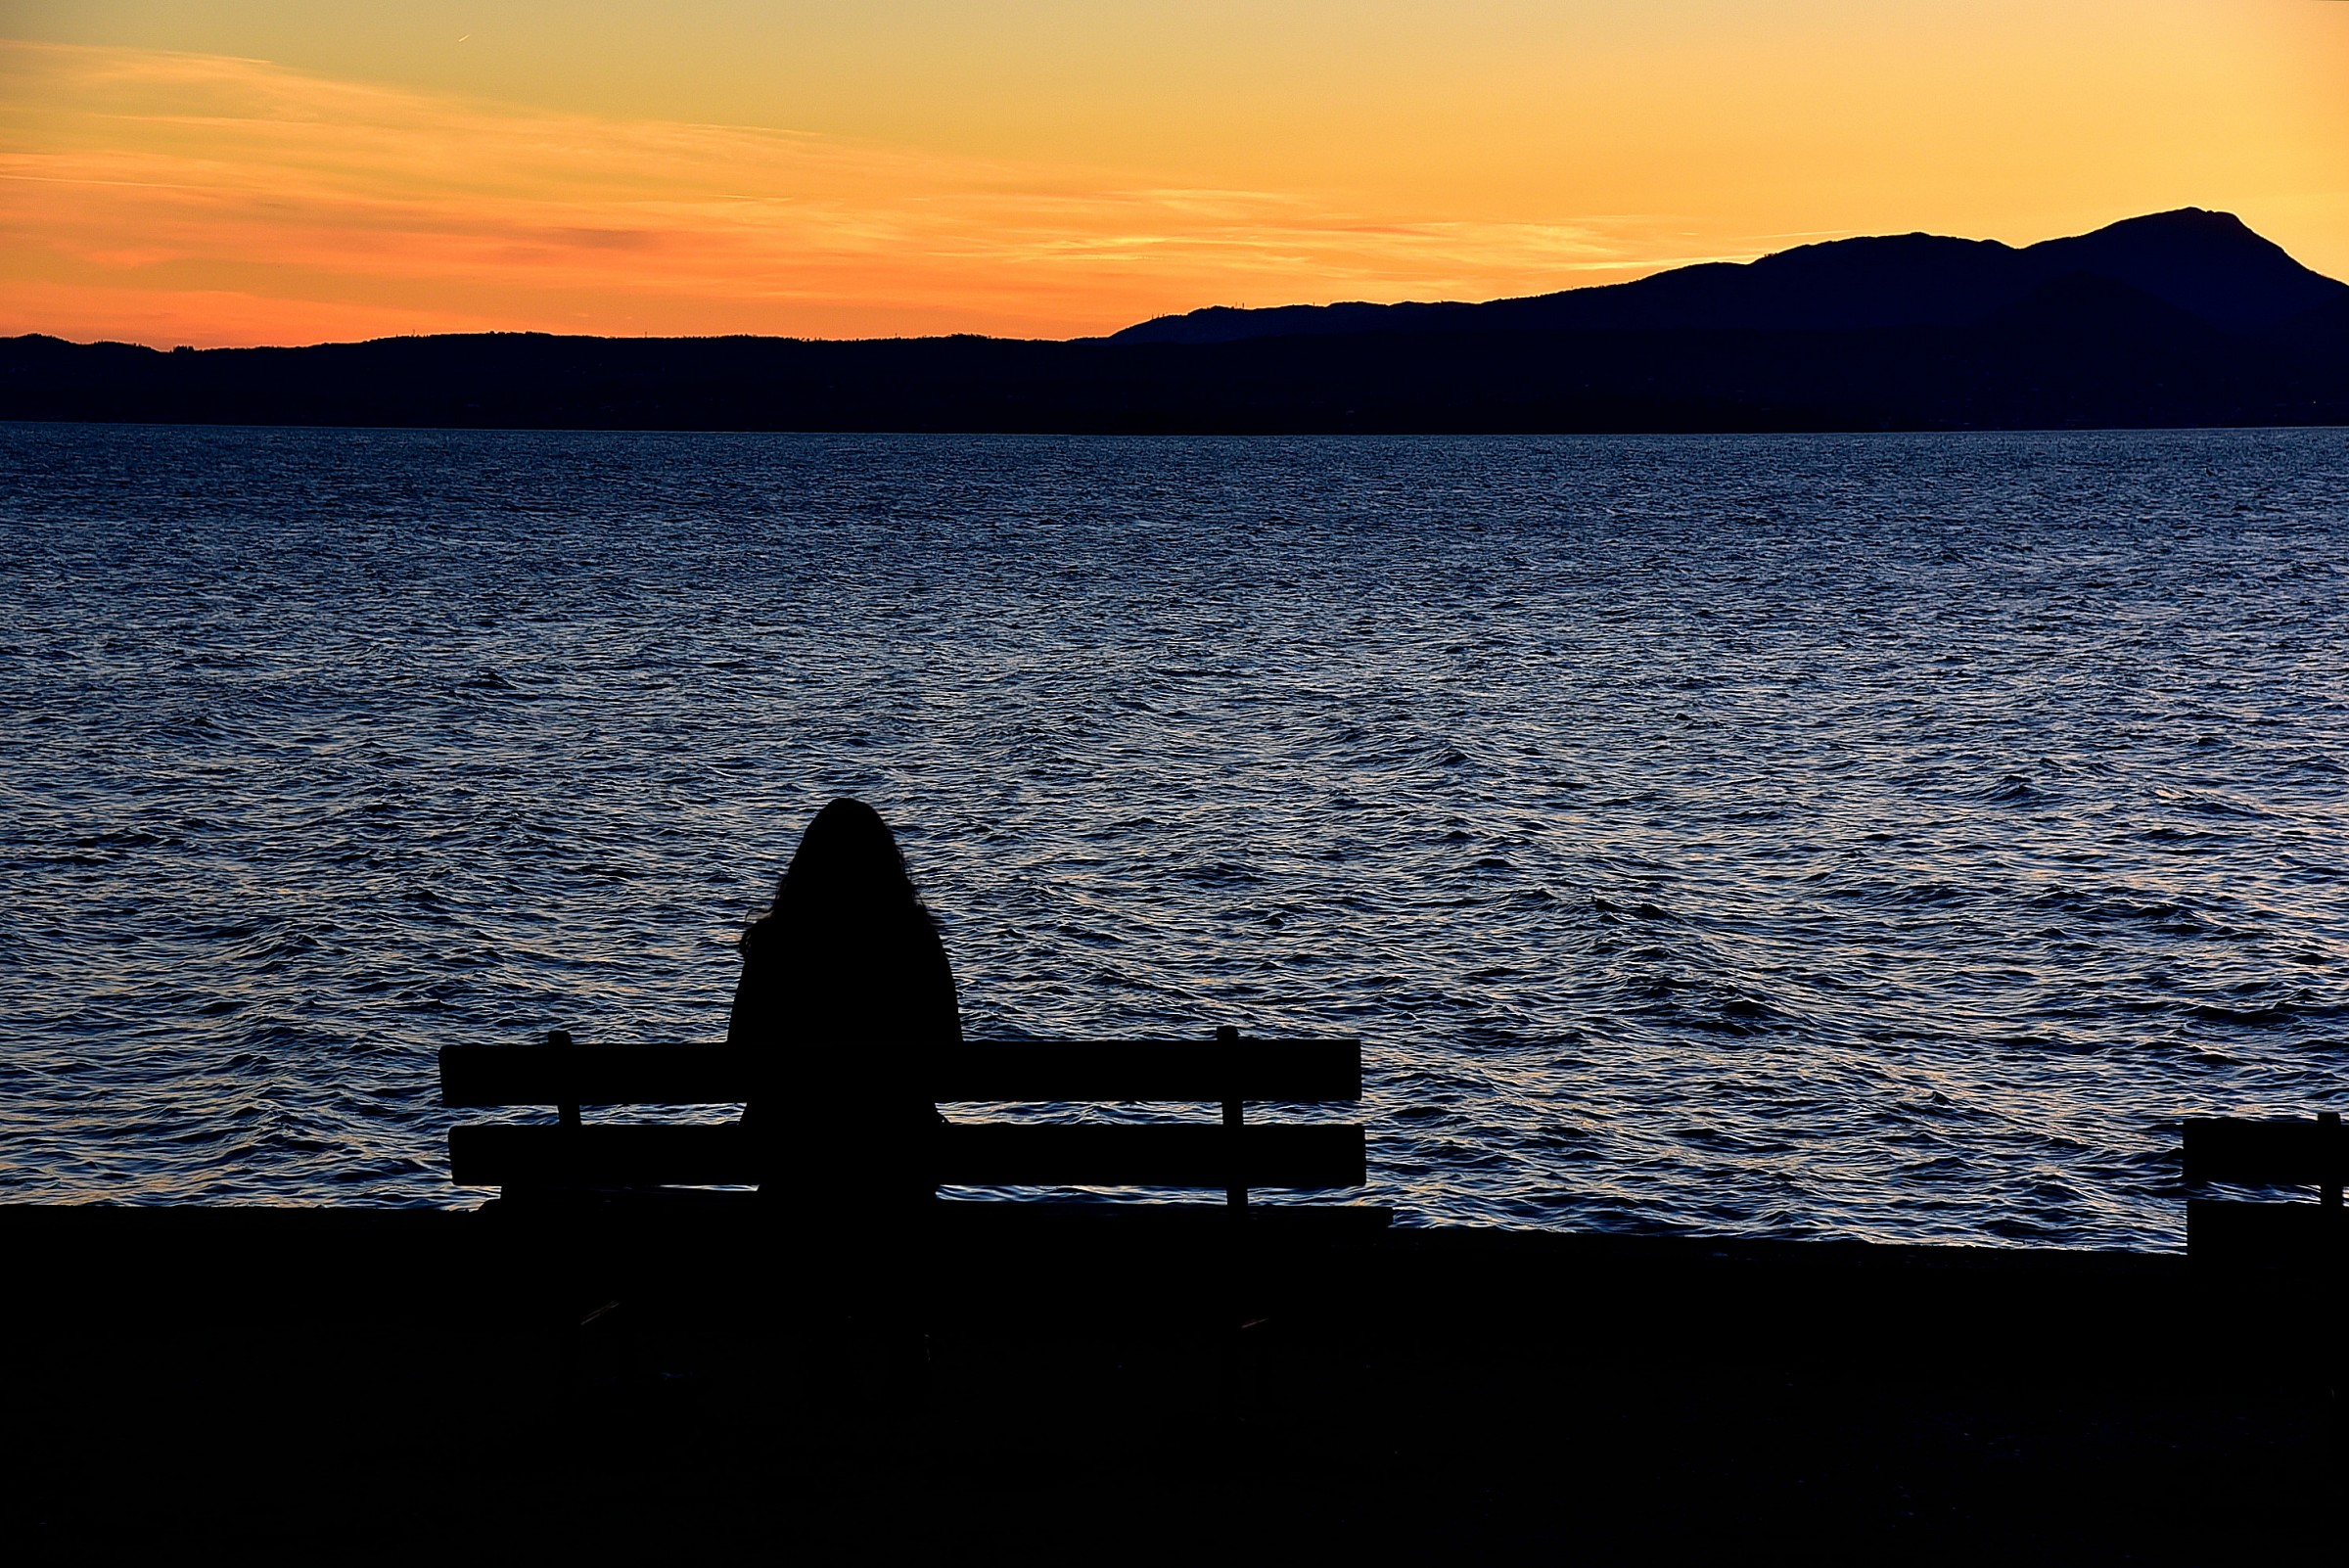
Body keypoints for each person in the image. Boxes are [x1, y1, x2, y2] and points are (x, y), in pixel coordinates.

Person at [726, 798, 960, 1218]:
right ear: (888, 869)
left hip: (792, 1161)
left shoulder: (776, 946)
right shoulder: (914, 945)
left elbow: (739, 1063)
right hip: (897, 1162)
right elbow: (948, 1068)